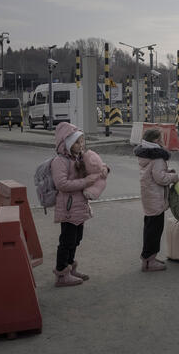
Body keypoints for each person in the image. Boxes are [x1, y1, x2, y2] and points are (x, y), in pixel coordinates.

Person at [51, 122, 108, 287]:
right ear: (67, 144)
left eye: (82, 141)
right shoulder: (60, 161)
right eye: (77, 142)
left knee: (76, 239)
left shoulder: (78, 157)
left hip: (79, 206)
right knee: (67, 240)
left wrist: (104, 169)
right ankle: (62, 273)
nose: (80, 145)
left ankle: (70, 267)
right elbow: (61, 184)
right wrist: (86, 181)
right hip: (68, 207)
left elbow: (95, 165)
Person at [134, 128, 179, 272]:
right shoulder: (158, 157)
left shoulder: (145, 156)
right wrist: (173, 177)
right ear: (155, 141)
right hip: (156, 198)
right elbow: (161, 178)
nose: (163, 140)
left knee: (149, 228)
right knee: (154, 231)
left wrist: (167, 170)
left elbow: (154, 172)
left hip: (148, 196)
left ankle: (148, 258)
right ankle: (149, 260)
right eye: (161, 137)